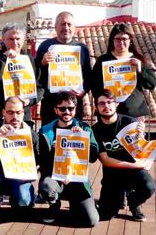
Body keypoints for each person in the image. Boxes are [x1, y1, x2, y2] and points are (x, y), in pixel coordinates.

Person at [92, 89, 155, 222]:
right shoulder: (95, 130)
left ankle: (134, 202)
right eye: (102, 104)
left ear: (116, 104)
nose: (106, 106)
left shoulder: (129, 122)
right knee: (106, 215)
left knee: (149, 186)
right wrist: (132, 165)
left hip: (134, 172)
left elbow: (141, 149)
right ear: (96, 107)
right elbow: (105, 160)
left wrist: (141, 135)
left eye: (110, 102)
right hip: (112, 175)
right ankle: (116, 198)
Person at [0, 96, 40, 230]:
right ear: (3, 113)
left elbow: (39, 159)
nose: (15, 117)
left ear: (23, 113)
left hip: (20, 178)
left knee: (24, 200)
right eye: (10, 112)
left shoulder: (31, 134)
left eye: (18, 112)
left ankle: (20, 202)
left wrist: (35, 167)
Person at [38, 91, 99, 227]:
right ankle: (54, 204)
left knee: (92, 220)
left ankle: (75, 204)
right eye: (62, 108)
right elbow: (41, 160)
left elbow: (94, 156)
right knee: (47, 186)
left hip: (77, 179)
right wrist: (52, 151)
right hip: (56, 177)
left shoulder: (84, 128)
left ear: (75, 109)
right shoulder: (46, 131)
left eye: (70, 108)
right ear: (55, 110)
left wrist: (84, 140)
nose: (67, 111)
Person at [35, 11, 92, 125]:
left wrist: (83, 91)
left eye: (69, 24)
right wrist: (41, 63)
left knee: (73, 139)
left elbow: (88, 76)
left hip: (73, 105)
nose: (66, 28)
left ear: (74, 28)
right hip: (50, 105)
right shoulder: (45, 46)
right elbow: (35, 75)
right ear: (56, 27)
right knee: (49, 139)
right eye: (62, 24)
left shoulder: (82, 48)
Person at [91, 23, 156, 120]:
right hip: (109, 113)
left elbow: (151, 84)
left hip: (135, 112)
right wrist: (105, 104)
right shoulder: (103, 60)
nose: (121, 42)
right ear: (112, 41)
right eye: (118, 39)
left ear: (130, 41)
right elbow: (94, 86)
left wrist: (140, 70)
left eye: (124, 39)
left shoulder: (138, 59)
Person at [0, 23, 42, 136]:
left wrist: (29, 101)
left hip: (23, 115)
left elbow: (40, 87)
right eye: (10, 39)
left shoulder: (29, 59)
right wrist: (4, 60)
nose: (15, 43)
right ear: (3, 40)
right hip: (0, 115)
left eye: (18, 39)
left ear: (23, 40)